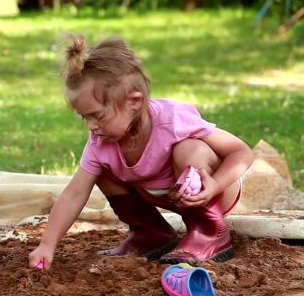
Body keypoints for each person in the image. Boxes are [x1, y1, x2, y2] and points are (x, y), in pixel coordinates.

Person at [28, 35, 254, 268]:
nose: (91, 125)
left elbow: (241, 152)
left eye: (98, 115)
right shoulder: (100, 141)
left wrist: (215, 185)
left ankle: (209, 231)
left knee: (189, 148)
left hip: (213, 193)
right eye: (84, 117)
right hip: (166, 196)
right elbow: (74, 193)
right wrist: (47, 244)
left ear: (134, 101)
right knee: (100, 169)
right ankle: (151, 234)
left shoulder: (172, 119)